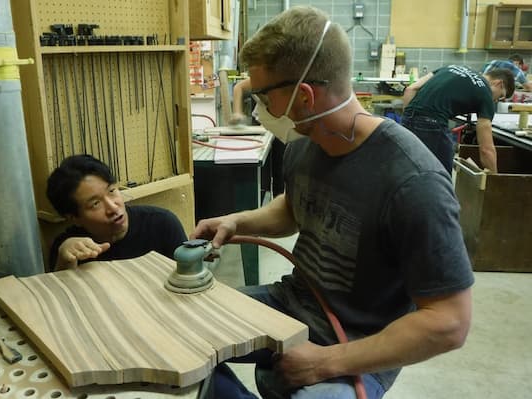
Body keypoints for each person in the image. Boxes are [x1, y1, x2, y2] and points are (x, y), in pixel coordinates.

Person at [191, 6, 474, 399]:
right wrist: (237, 221)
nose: (259, 111)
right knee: (186, 327)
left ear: (304, 97)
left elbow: (449, 322)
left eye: (263, 97)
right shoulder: (304, 142)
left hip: (358, 342)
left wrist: (326, 361)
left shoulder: (413, 181)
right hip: (291, 303)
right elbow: (294, 208)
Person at [46, 154, 187, 271]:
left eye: (112, 191)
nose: (113, 207)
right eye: (95, 203)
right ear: (74, 218)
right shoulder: (69, 249)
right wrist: (66, 262)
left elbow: (190, 277)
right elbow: (63, 298)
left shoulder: (162, 224)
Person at [401, 66, 515, 173]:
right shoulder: (486, 94)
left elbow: (411, 89)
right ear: (499, 83)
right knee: (441, 179)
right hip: (432, 124)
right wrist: (495, 180)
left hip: (408, 117)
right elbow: (486, 149)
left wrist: (409, 120)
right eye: (500, 96)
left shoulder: (450, 68)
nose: (495, 101)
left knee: (409, 169)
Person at [230, 76, 286, 196]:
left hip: (282, 122)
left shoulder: (286, 79)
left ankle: (278, 197)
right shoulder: (265, 75)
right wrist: (237, 112)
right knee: (261, 164)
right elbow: (238, 87)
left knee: (280, 167)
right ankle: (262, 194)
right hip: (262, 121)